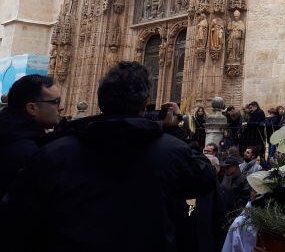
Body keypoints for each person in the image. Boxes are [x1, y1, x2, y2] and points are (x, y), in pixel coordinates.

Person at [1, 61, 216, 252]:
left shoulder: (55, 151)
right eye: (56, 102)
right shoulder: (171, 151)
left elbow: (18, 217)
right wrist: (176, 131)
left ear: (101, 102)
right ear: (144, 104)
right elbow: (205, 178)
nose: (62, 106)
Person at [0, 75, 62, 199]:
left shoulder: (10, 133)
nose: (61, 107)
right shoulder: (26, 150)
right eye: (55, 102)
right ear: (32, 108)